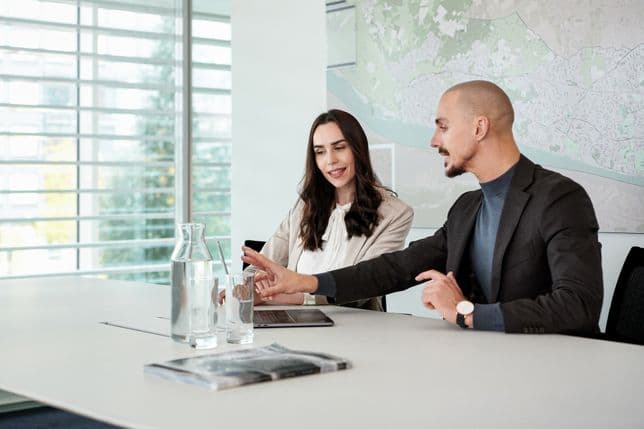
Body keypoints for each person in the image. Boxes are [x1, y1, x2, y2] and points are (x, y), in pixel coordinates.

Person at [243, 80, 603, 334]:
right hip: (487, 364)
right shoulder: (467, 208)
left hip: (551, 369)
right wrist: (307, 281)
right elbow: (395, 269)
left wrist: (467, 312)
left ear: (479, 128)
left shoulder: (559, 198)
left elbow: (578, 304)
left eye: (443, 127)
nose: (434, 141)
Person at [248, 109, 413, 311]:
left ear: (357, 148)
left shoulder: (395, 214)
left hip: (355, 330)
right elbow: (263, 263)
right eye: (320, 152)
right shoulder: (304, 206)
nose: (330, 160)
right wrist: (245, 287)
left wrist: (286, 297)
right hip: (293, 322)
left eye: (340, 147)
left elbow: (363, 287)